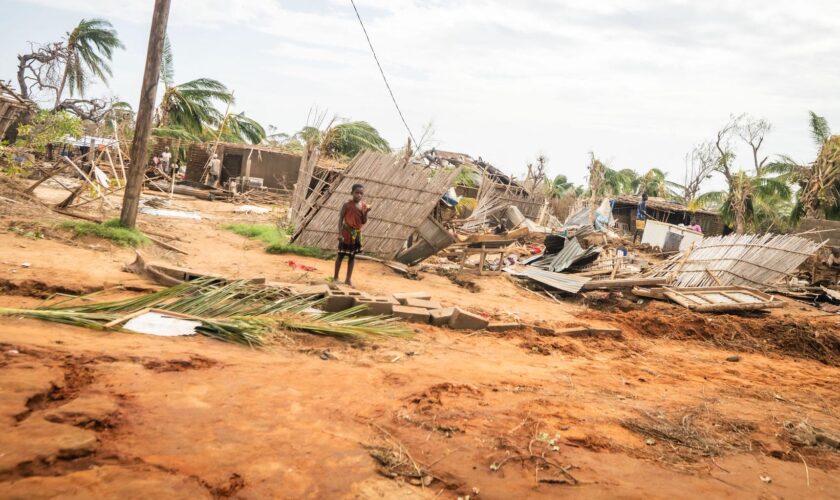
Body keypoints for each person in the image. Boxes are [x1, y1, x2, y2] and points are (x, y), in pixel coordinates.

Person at [333, 184, 370, 287]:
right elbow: (341, 219)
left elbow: (364, 221)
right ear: (352, 193)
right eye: (357, 192)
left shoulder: (364, 206)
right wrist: (340, 233)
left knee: (352, 257)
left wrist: (366, 212)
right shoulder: (347, 205)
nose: (359, 195)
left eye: (361, 193)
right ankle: (335, 277)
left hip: (356, 234)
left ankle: (348, 279)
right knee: (340, 255)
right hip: (346, 232)